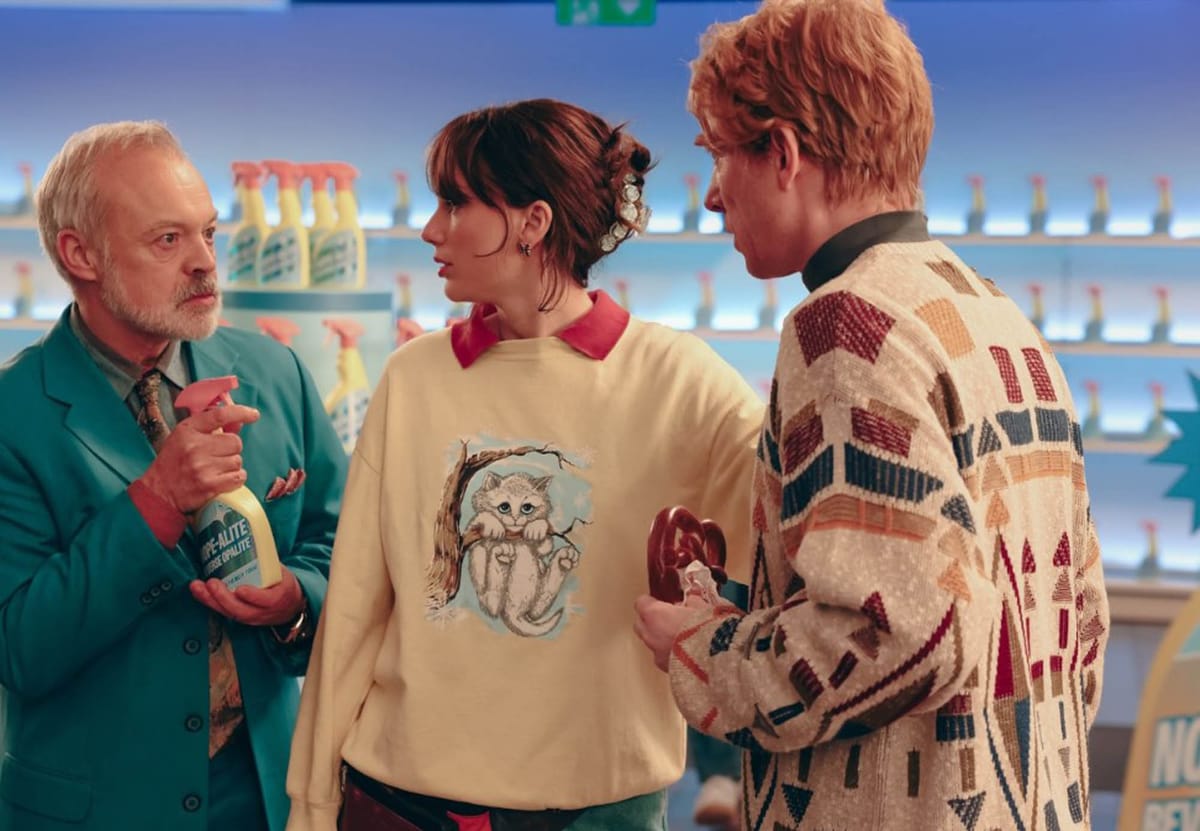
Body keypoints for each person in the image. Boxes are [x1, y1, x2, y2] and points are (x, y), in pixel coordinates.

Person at [634, 1, 1111, 828]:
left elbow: (901, 624)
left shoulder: (843, 323)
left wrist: (706, 648)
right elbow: (1083, 622)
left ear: (783, 153)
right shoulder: (998, 317)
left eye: (718, 155)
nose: (712, 197)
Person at [286, 98, 763, 831]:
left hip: (600, 803)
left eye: (455, 204)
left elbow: (794, 533)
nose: (431, 229)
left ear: (533, 222)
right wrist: (314, 801)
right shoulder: (414, 376)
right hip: (407, 799)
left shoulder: (681, 379)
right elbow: (355, 606)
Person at [0, 121, 346, 831]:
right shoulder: (13, 411)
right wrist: (157, 500)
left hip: (270, 799)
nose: (204, 263)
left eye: (209, 233)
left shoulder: (275, 371)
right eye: (168, 240)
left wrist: (294, 600)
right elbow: (19, 647)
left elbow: (343, 543)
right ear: (79, 254)